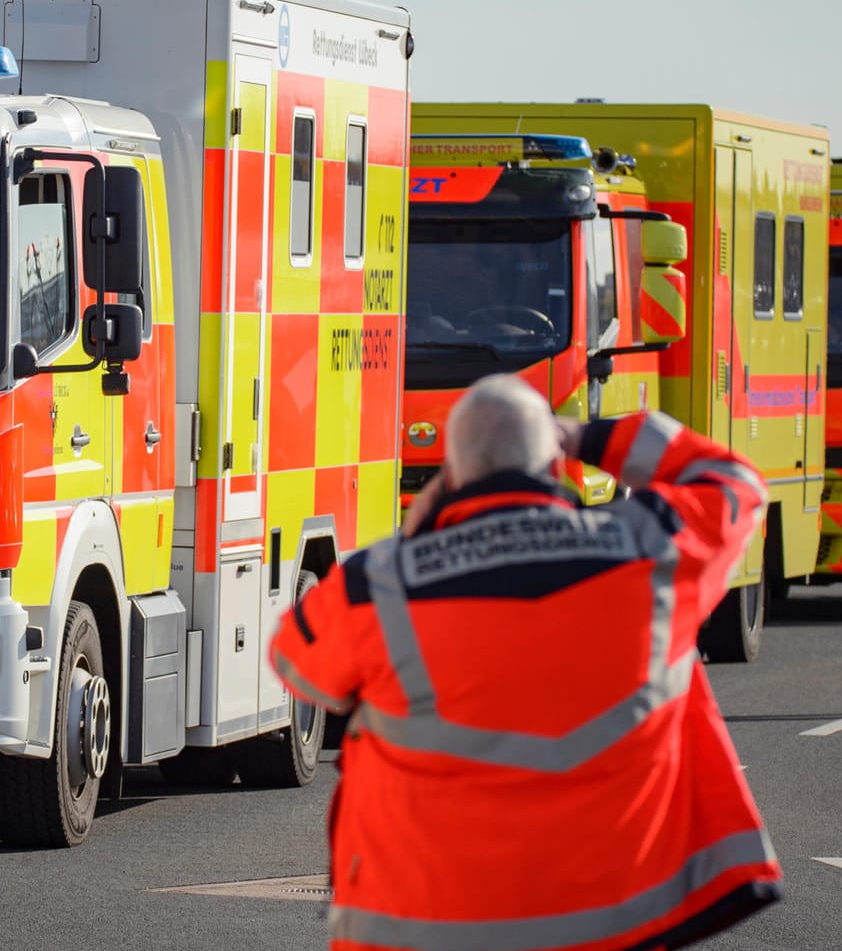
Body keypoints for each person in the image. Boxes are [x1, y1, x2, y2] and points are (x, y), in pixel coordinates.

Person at [270, 374, 780, 951]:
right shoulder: (648, 550)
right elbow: (735, 481)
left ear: (452, 479)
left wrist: (418, 534)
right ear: (557, 468)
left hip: (425, 928)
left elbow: (299, 665)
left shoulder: (381, 586)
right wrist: (587, 437)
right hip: (617, 922)